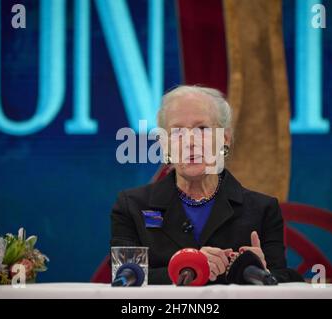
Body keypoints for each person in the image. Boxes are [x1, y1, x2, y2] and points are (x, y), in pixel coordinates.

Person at [111, 85, 303, 284]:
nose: (190, 142)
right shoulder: (132, 206)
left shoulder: (263, 210)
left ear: (225, 139)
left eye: (202, 129)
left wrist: (262, 274)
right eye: (177, 131)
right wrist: (190, 265)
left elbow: (280, 279)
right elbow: (124, 277)